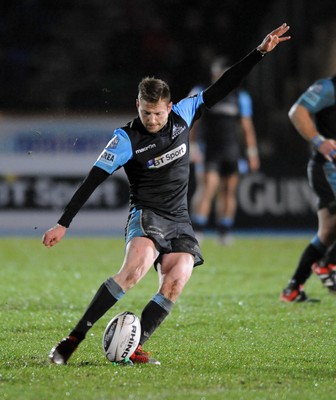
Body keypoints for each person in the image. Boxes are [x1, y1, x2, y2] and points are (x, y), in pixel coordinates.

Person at [42, 23, 291, 365]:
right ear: (138, 105)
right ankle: (72, 339)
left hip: (179, 219)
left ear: (170, 106)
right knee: (134, 271)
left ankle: (133, 346)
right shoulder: (125, 139)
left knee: (175, 282)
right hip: (146, 214)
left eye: (158, 112)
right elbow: (92, 181)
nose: (153, 119)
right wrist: (63, 223)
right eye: (146, 112)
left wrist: (260, 53)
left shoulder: (184, 114)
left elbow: (225, 85)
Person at [190, 56, 260, 244]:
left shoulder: (240, 97)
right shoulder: (202, 92)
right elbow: (192, 122)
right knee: (208, 188)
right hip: (208, 149)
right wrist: (193, 146)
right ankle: (198, 230)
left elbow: (246, 126)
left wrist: (252, 152)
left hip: (232, 149)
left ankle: (224, 230)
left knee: (229, 190)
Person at [280, 74, 336, 302]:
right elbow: (298, 112)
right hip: (328, 168)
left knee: (327, 233)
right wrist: (319, 141)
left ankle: (292, 290)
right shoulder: (328, 87)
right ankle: (328, 264)